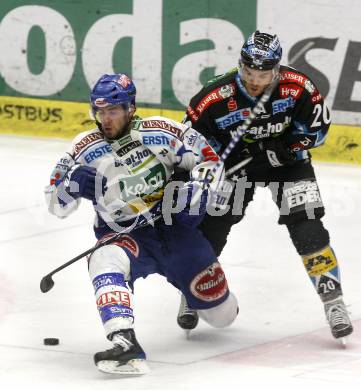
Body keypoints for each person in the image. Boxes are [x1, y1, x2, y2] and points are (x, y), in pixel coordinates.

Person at [44, 73, 238, 375]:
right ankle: (124, 341)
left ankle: (190, 291)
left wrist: (197, 190)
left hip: (176, 233)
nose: (105, 120)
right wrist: (69, 185)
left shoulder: (163, 131)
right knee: (103, 258)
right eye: (100, 112)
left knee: (223, 316)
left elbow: (210, 161)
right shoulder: (82, 148)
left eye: (113, 111)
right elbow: (54, 203)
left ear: (130, 108)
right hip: (125, 237)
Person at [177, 31, 353, 342]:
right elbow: (188, 145)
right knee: (213, 227)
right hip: (235, 170)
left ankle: (334, 302)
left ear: (277, 69)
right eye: (248, 72)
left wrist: (286, 146)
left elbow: (319, 130)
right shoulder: (212, 98)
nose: (255, 80)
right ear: (240, 65)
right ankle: (195, 293)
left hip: (288, 165)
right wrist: (213, 163)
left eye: (263, 74)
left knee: (307, 224)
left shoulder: (299, 87)